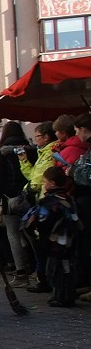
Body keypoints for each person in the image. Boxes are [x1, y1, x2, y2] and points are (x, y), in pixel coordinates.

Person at [22, 166, 81, 307]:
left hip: (53, 242)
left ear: (52, 183)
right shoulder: (68, 197)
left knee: (55, 269)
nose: (44, 185)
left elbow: (42, 221)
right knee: (67, 268)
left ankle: (60, 296)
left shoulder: (49, 201)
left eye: (44, 182)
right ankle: (67, 295)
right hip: (69, 240)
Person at [0, 121, 35, 288]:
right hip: (29, 196)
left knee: (13, 235)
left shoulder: (3, 152)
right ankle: (35, 265)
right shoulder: (31, 149)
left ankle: (20, 272)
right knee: (30, 232)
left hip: (9, 197)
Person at [18, 121, 57, 293]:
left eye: (37, 136)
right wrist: (24, 162)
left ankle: (46, 279)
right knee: (39, 242)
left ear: (46, 137)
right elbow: (33, 175)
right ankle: (43, 276)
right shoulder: (43, 153)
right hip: (41, 201)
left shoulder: (51, 153)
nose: (35, 140)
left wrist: (29, 189)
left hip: (47, 203)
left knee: (44, 244)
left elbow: (39, 179)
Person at [70, 114, 91, 300]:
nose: (77, 135)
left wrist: (73, 170)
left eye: (77, 131)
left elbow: (86, 177)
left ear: (84, 129)